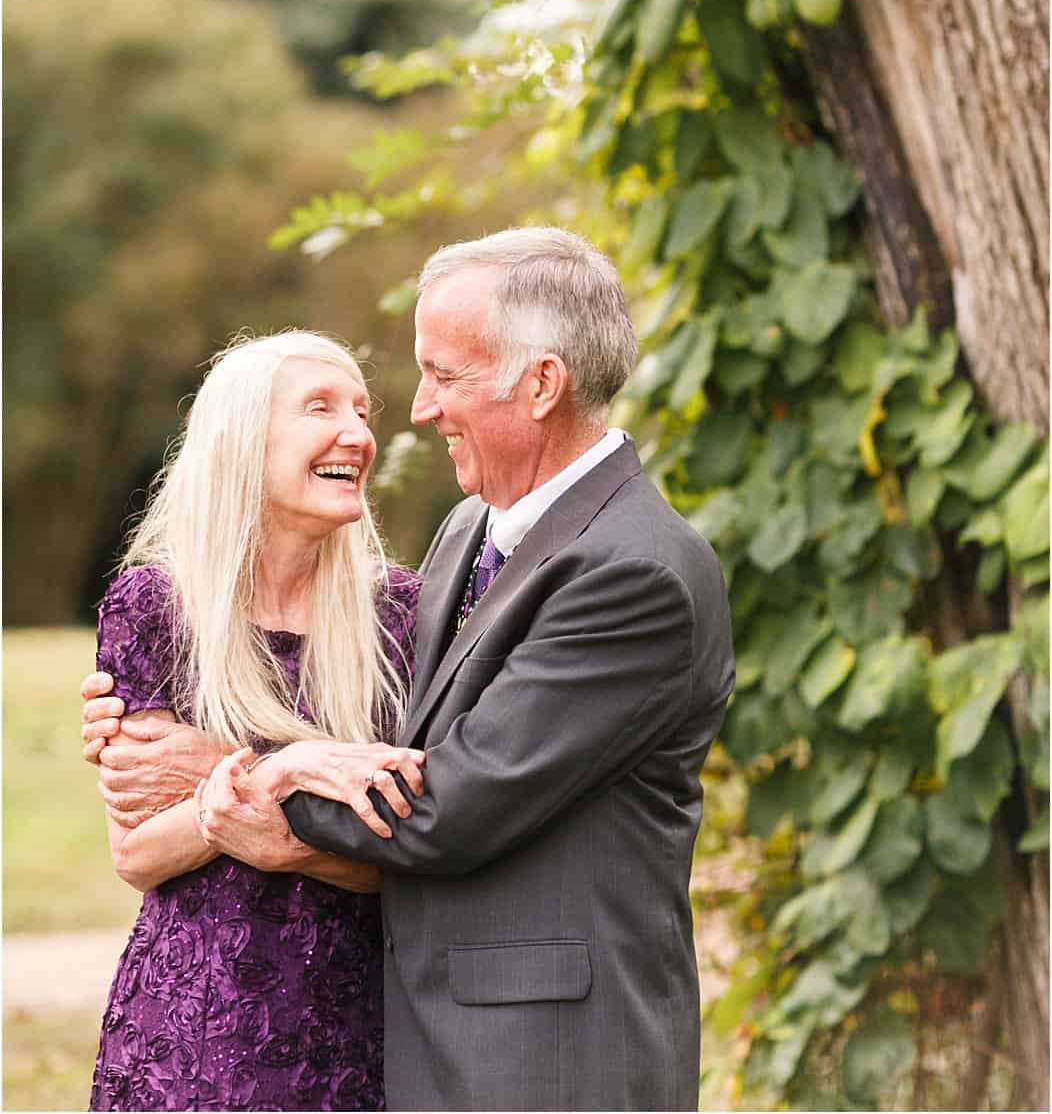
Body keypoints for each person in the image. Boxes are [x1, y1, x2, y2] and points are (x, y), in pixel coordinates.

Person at [83, 229, 735, 1112]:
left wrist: (227, 769)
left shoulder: (634, 571)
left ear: (540, 384)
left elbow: (444, 805)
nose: (418, 411)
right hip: (402, 1031)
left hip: (550, 1060)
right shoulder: (468, 536)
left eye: (446, 375)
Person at [82, 330, 425, 1113]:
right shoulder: (156, 606)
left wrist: (247, 796)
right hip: (199, 1024)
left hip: (363, 1020)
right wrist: (274, 774)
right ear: (242, 442)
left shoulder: (403, 613)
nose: (359, 433)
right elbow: (137, 851)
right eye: (320, 408)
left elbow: (416, 841)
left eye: (362, 411)